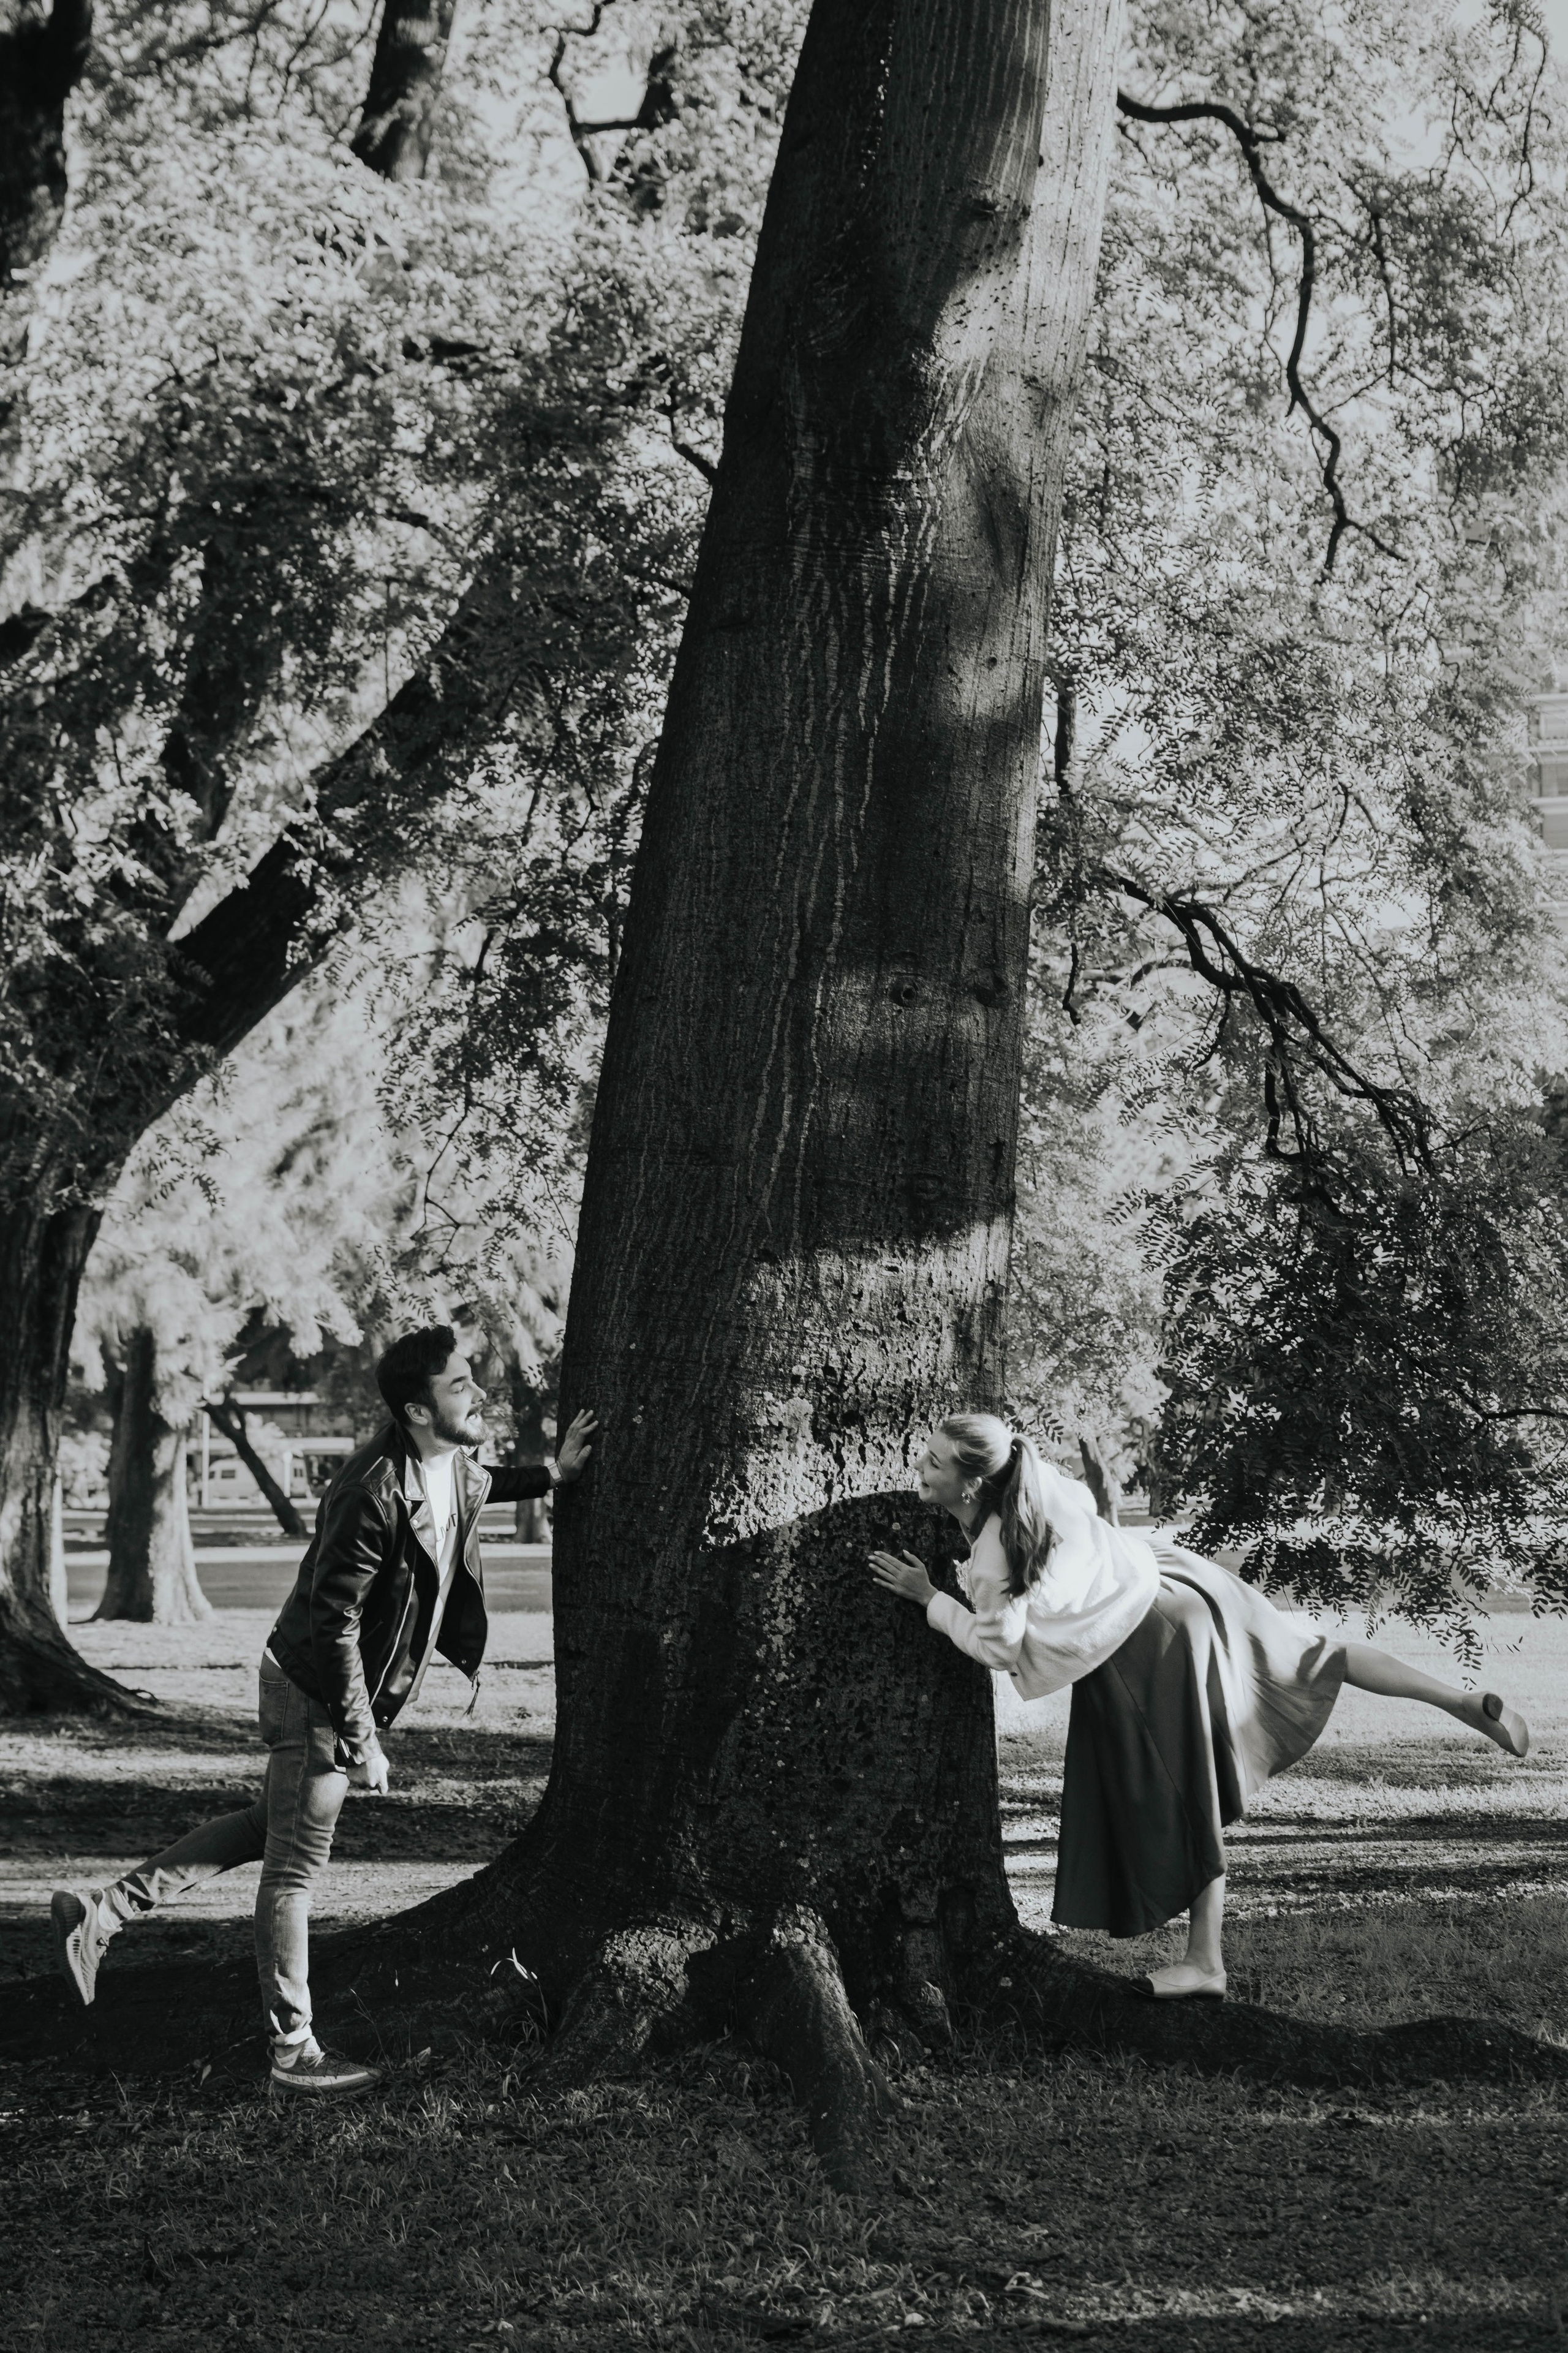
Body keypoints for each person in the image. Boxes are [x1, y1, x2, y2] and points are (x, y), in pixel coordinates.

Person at [50, 1326, 598, 2093]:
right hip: (314, 1687)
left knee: (268, 1826)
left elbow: (482, 1484)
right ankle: (293, 2052)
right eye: (459, 1384)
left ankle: (101, 1913)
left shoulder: (449, 1466)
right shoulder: (371, 1491)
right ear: (417, 1410)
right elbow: (334, 1620)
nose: (478, 1392)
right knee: (294, 1870)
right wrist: (359, 1736)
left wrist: (554, 1474)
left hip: (316, 1685)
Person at [872, 1412, 1529, 2000]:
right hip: (1175, 1585)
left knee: (1189, 1796)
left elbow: (998, 1647)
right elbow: (1077, 1519)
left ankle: (1206, 1961)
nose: (919, 1466)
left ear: (973, 1485)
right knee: (1311, 1653)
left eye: (934, 1461)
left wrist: (932, 1598)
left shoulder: (994, 1557)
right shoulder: (1040, 1487)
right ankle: (1460, 1700)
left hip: (1139, 1652)